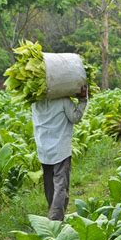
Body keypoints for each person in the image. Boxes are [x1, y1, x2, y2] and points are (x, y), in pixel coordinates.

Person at [32, 86, 88, 221]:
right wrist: (83, 101)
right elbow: (76, 118)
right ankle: (55, 220)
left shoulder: (35, 103)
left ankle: (54, 212)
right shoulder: (63, 101)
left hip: (43, 149)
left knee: (49, 185)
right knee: (61, 186)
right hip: (60, 149)